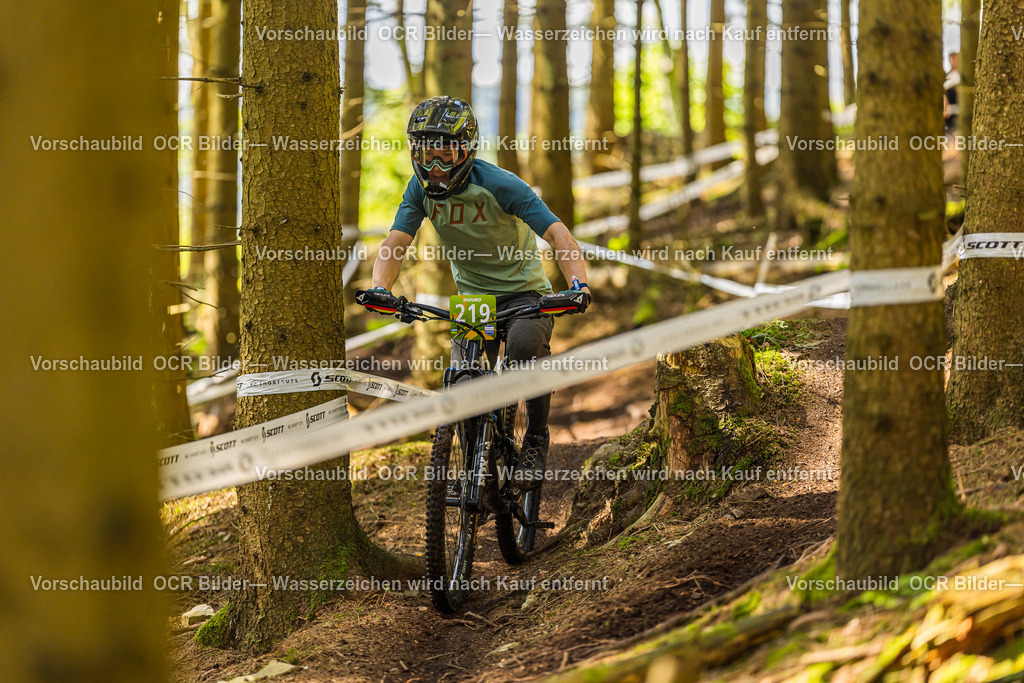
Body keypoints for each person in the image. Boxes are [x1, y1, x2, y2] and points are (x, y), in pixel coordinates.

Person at [367, 96, 591, 490]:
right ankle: (475, 466)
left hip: (526, 295)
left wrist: (577, 285)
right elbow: (396, 242)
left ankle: (536, 439)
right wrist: (381, 288)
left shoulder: (499, 184)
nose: (435, 167)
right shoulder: (418, 190)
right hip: (475, 302)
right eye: (425, 154)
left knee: (523, 347)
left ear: (466, 149)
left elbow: (558, 234)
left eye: (445, 154)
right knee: (465, 382)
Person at [944, 52, 960, 134]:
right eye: (952, 59)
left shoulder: (962, 76)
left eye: (955, 59)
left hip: (960, 111)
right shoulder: (947, 76)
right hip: (948, 111)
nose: (953, 62)